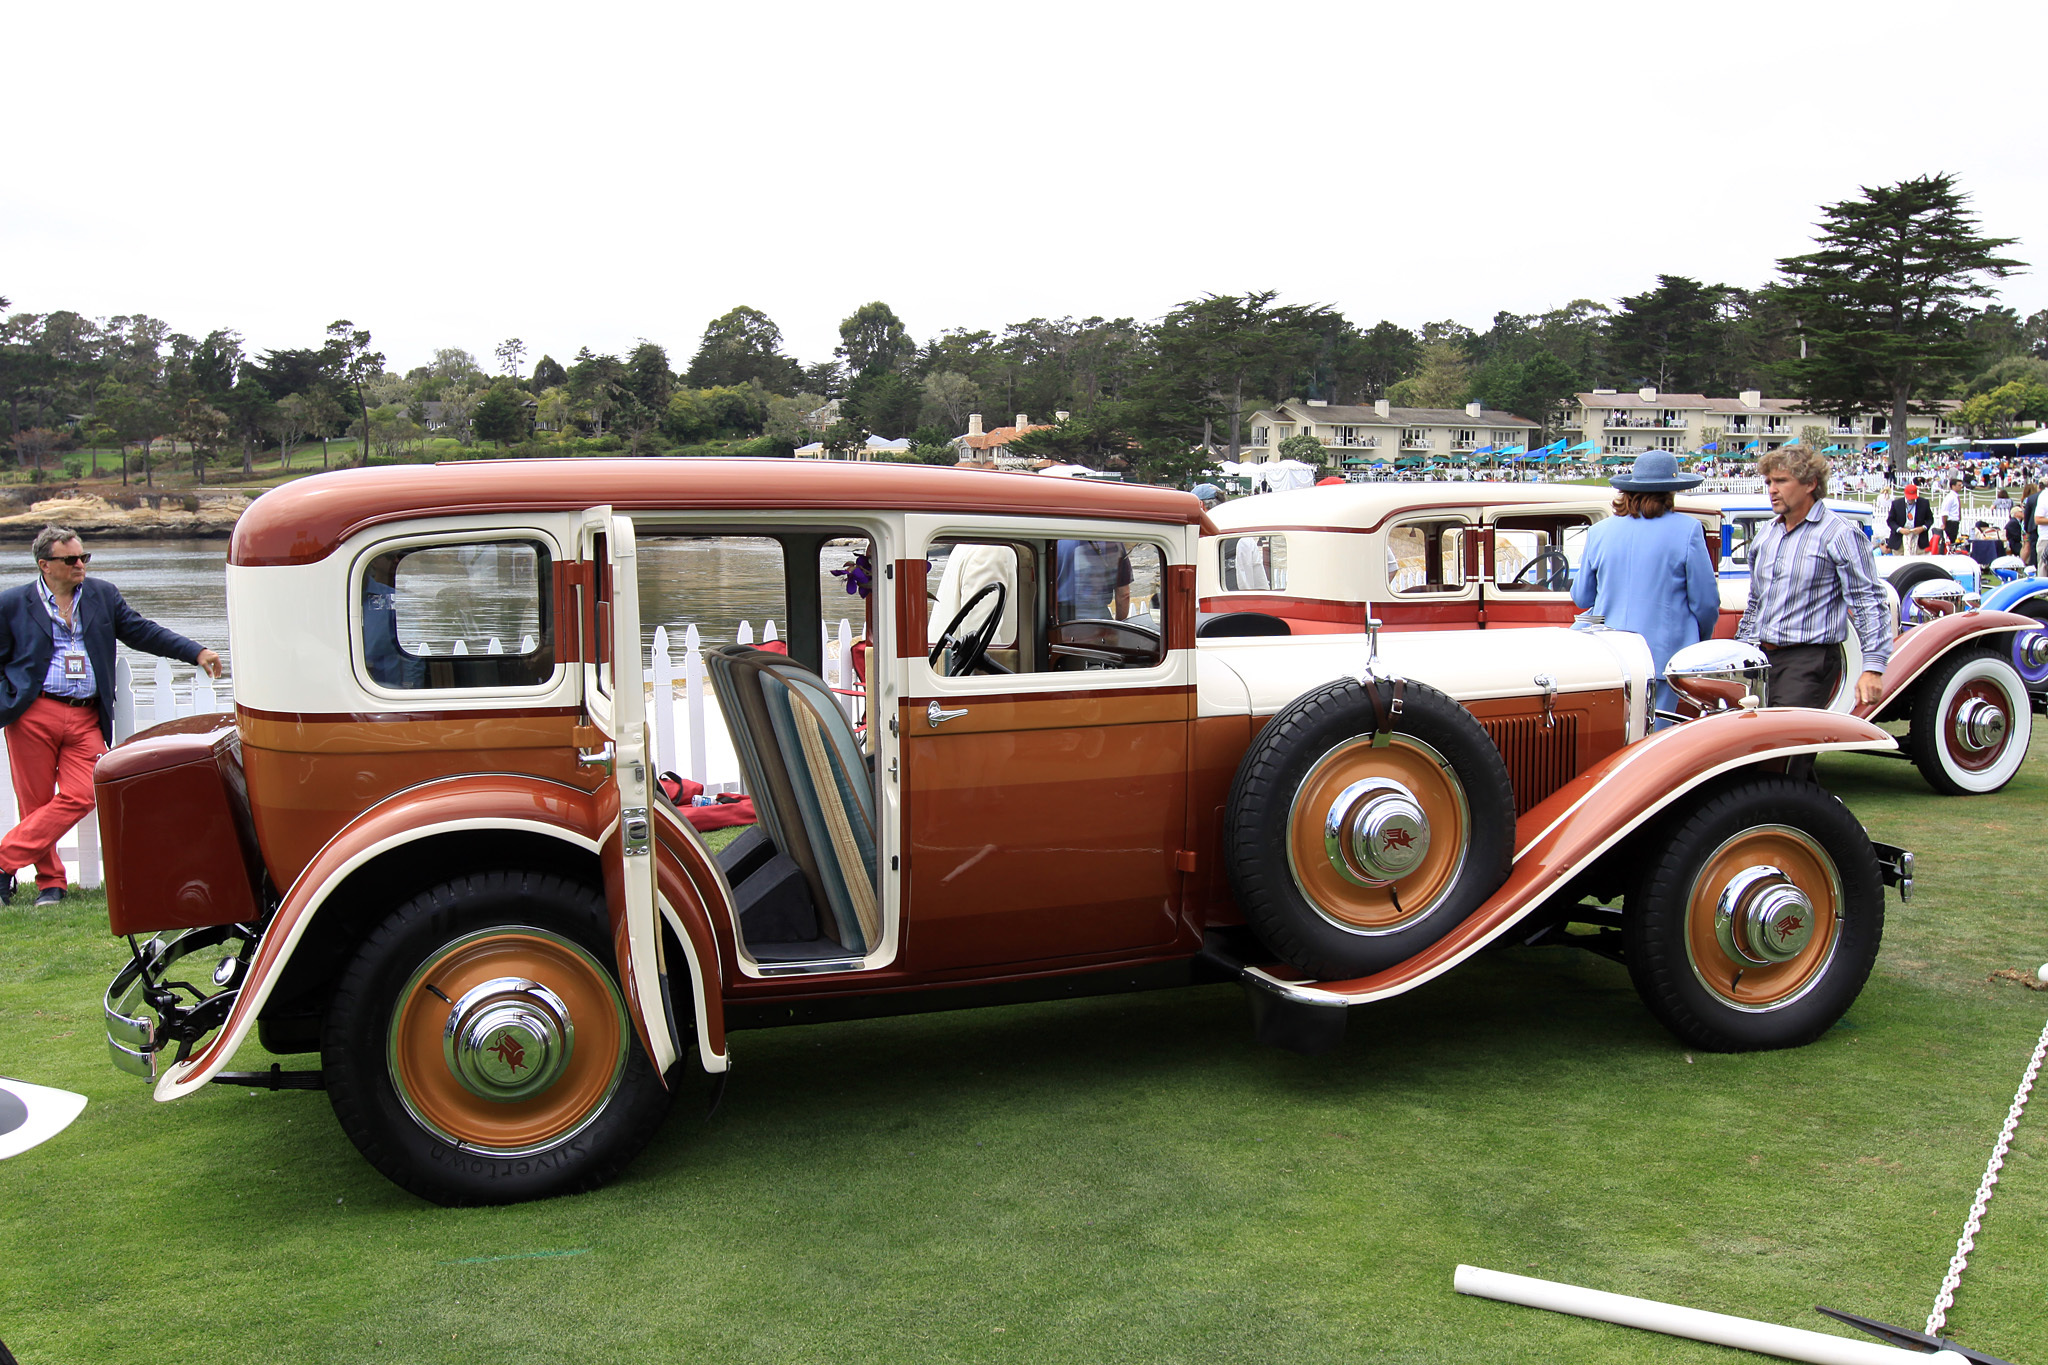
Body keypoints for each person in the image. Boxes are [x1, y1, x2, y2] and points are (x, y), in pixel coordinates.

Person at [0, 526, 222, 905]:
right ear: (45, 565)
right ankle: (51, 884)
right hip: (34, 713)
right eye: (70, 559)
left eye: (83, 557)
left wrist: (195, 651)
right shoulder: (12, 604)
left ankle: (4, 861)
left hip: (86, 715)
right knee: (34, 802)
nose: (80, 565)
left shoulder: (103, 595)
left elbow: (141, 632)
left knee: (85, 792)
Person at [1734, 446, 1891, 782]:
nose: (1772, 489)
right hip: (1761, 659)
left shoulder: (1839, 533)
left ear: (1810, 484)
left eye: (1781, 480)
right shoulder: (1766, 535)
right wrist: (1740, 653)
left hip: (1809, 660)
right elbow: (1756, 602)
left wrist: (1874, 666)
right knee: (1756, 756)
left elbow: (1867, 600)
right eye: (1768, 481)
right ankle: (1822, 825)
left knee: (1786, 756)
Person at [1569, 451, 1718, 726]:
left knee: (1612, 734)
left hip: (1609, 655)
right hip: (1663, 655)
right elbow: (1706, 602)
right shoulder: (1688, 529)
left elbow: (1581, 597)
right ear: (1671, 493)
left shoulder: (1600, 532)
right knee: (1654, 739)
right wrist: (1697, 637)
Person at [1887, 482, 1933, 554]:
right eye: (1909, 497)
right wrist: (1900, 529)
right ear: (1905, 494)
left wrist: (1923, 528)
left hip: (1918, 539)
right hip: (1900, 539)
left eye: (1913, 497)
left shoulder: (1924, 503)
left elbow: (1930, 519)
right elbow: (1890, 521)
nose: (1911, 499)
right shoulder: (1896, 504)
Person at [1939, 479, 1963, 549]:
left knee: (1954, 542)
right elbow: (1945, 512)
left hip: (1955, 523)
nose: (1961, 487)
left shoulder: (1955, 497)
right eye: (1959, 485)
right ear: (1953, 486)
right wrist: (1944, 523)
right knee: (1950, 543)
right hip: (1950, 523)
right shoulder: (1950, 497)